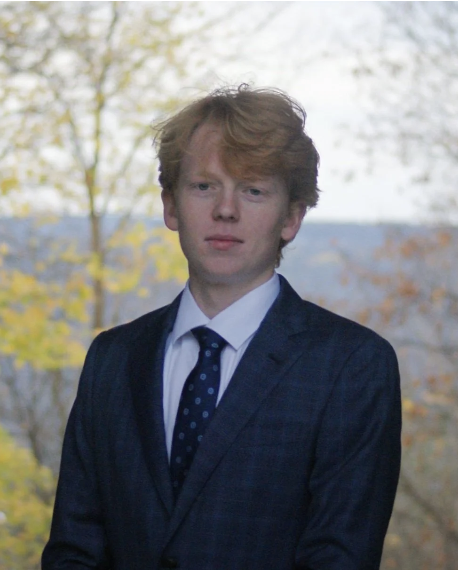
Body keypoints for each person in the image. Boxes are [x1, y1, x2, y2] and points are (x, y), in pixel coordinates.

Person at [42, 85, 401, 570]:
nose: (226, 210)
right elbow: (73, 551)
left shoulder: (351, 367)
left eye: (253, 190)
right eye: (204, 186)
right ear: (171, 206)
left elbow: (339, 558)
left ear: (291, 218)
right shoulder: (112, 359)